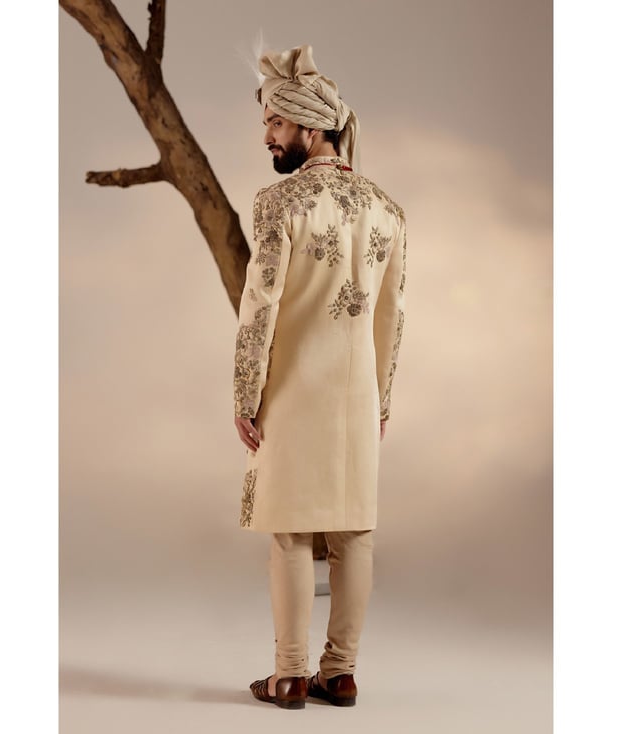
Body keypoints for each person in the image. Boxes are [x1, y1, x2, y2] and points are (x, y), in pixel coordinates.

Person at [233, 44, 406, 710]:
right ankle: (341, 673)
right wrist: (380, 401)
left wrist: (245, 395)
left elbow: (260, 306)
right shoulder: (387, 209)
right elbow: (392, 318)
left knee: (292, 531)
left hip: (293, 393)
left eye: (276, 123)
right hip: (357, 397)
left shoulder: (280, 203)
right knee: (354, 531)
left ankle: (289, 674)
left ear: (310, 126)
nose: (268, 137)